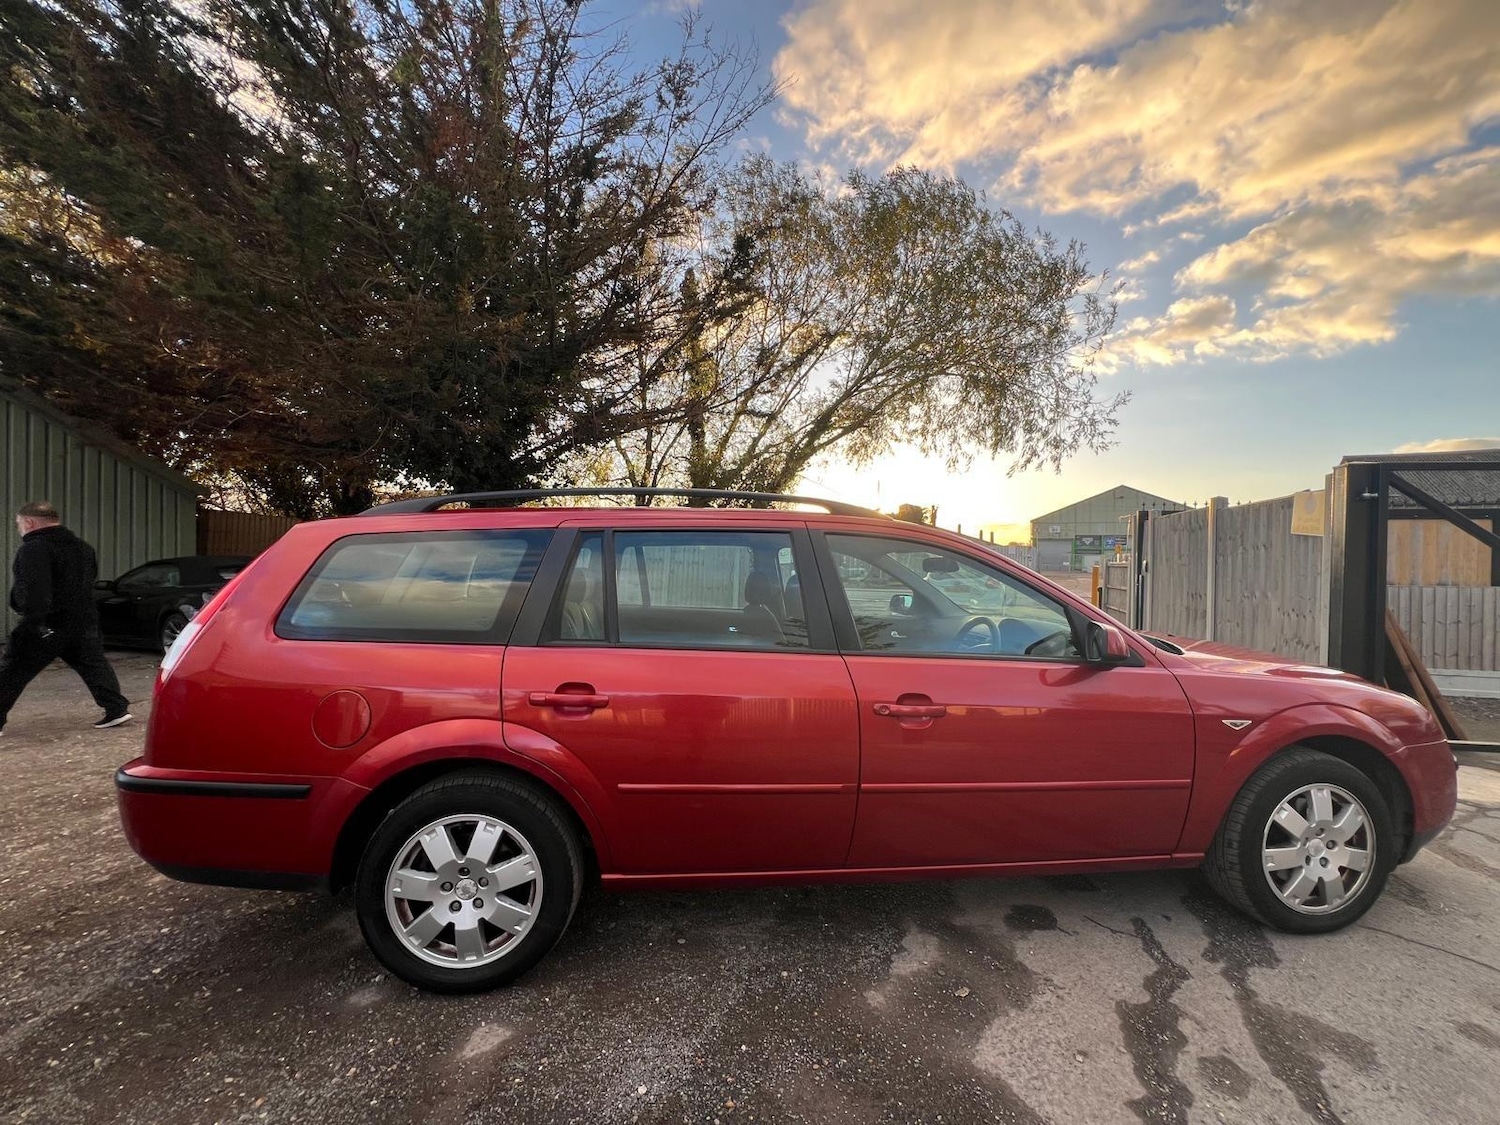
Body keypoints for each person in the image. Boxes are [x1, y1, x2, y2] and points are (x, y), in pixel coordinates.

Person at [0, 501, 131, 736]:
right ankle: (116, 709)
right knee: (94, 665)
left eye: (18, 524)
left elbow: (35, 588)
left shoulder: (34, 548)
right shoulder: (83, 548)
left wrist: (32, 622)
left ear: (29, 522)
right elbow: (87, 583)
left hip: (47, 622)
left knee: (13, 670)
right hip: (82, 620)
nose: (19, 528)